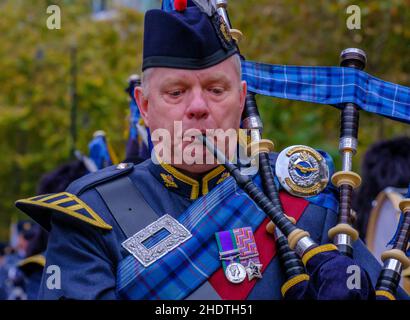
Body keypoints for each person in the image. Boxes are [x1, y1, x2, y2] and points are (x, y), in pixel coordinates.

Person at [15, 2, 407, 300]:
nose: (199, 106)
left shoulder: (307, 202)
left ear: (242, 99)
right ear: (145, 105)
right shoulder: (91, 213)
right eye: (176, 92)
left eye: (216, 89)